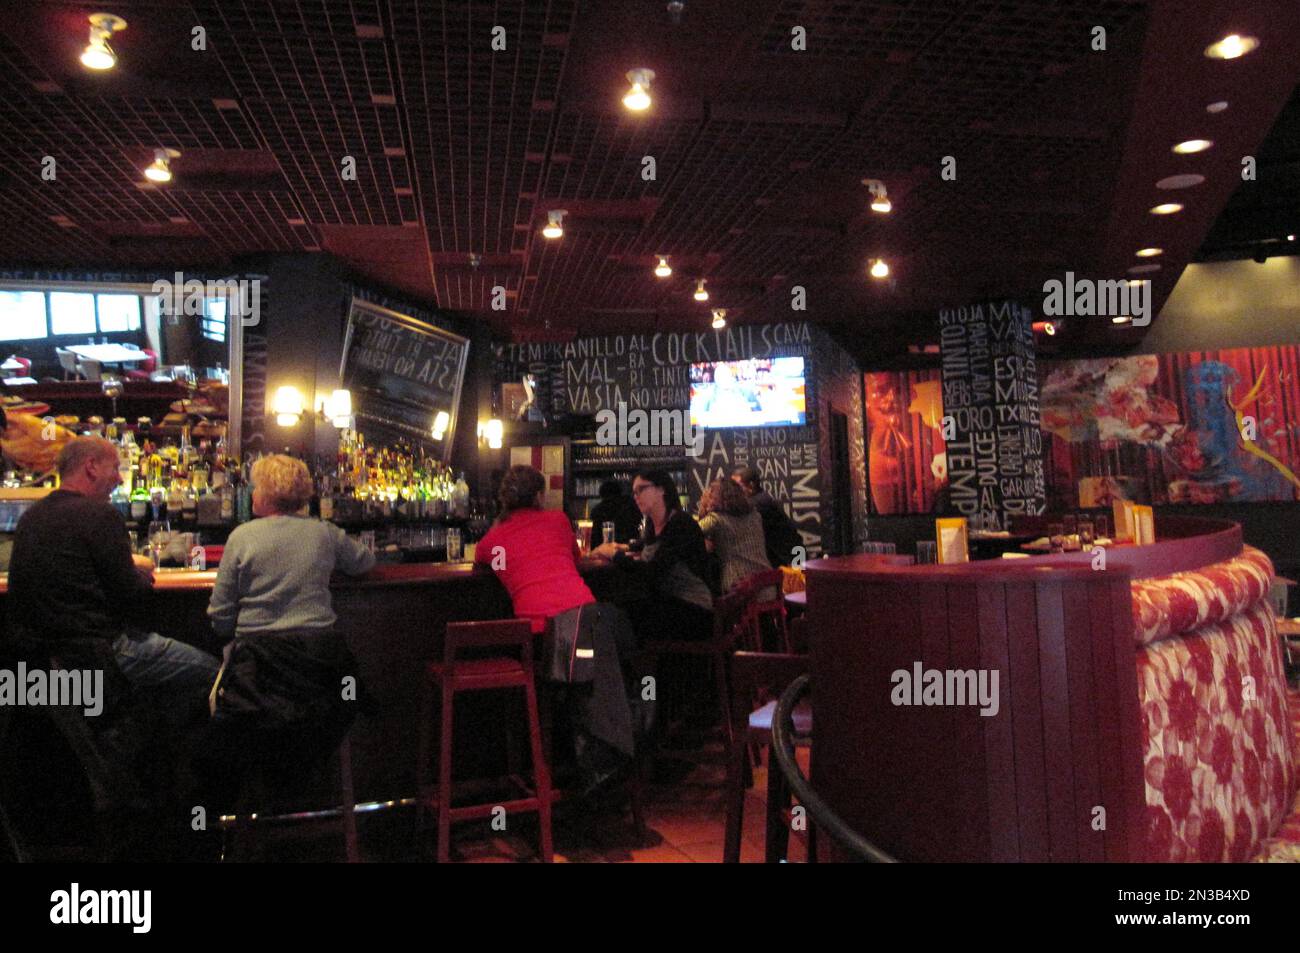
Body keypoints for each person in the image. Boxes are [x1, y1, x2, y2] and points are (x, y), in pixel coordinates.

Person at [200, 454, 376, 806]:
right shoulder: (324, 533)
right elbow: (365, 562)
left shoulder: (241, 537)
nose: (251, 494)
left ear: (266, 493)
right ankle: (316, 799)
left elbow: (220, 617)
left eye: (255, 487)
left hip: (257, 685)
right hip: (324, 680)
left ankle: (238, 812)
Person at [8, 436, 219, 721]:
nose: (120, 479)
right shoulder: (100, 515)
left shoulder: (31, 517)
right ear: (91, 466)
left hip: (40, 661)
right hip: (100, 652)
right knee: (216, 674)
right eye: (115, 468)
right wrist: (140, 573)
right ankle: (155, 745)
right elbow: (132, 595)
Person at [475, 465, 637, 791]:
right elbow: (573, 558)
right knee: (596, 668)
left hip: (541, 639)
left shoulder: (491, 542)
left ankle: (555, 772)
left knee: (574, 669)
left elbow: (489, 564)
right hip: (590, 622)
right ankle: (601, 763)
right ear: (539, 495)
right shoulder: (558, 521)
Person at [592, 469, 713, 642]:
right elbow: (648, 544)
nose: (636, 496)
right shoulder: (653, 524)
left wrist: (614, 554)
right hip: (668, 603)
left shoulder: (680, 523)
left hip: (693, 610)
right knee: (612, 607)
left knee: (615, 614)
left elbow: (652, 573)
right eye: (634, 492)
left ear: (661, 489)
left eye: (641, 489)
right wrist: (625, 547)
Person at [698, 478, 773, 596]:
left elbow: (689, 531)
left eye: (712, 496)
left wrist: (702, 510)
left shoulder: (716, 519)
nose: (710, 499)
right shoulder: (755, 516)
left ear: (719, 498)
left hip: (739, 589)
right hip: (768, 585)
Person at [731, 466, 802, 567]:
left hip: (790, 558)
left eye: (737, 486)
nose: (733, 490)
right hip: (789, 555)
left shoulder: (759, 503)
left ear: (751, 485)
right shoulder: (761, 499)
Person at [588, 479, 642, 547]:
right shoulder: (630, 504)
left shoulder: (598, 510)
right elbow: (639, 520)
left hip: (606, 549)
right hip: (631, 546)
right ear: (619, 492)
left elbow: (594, 538)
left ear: (602, 495)